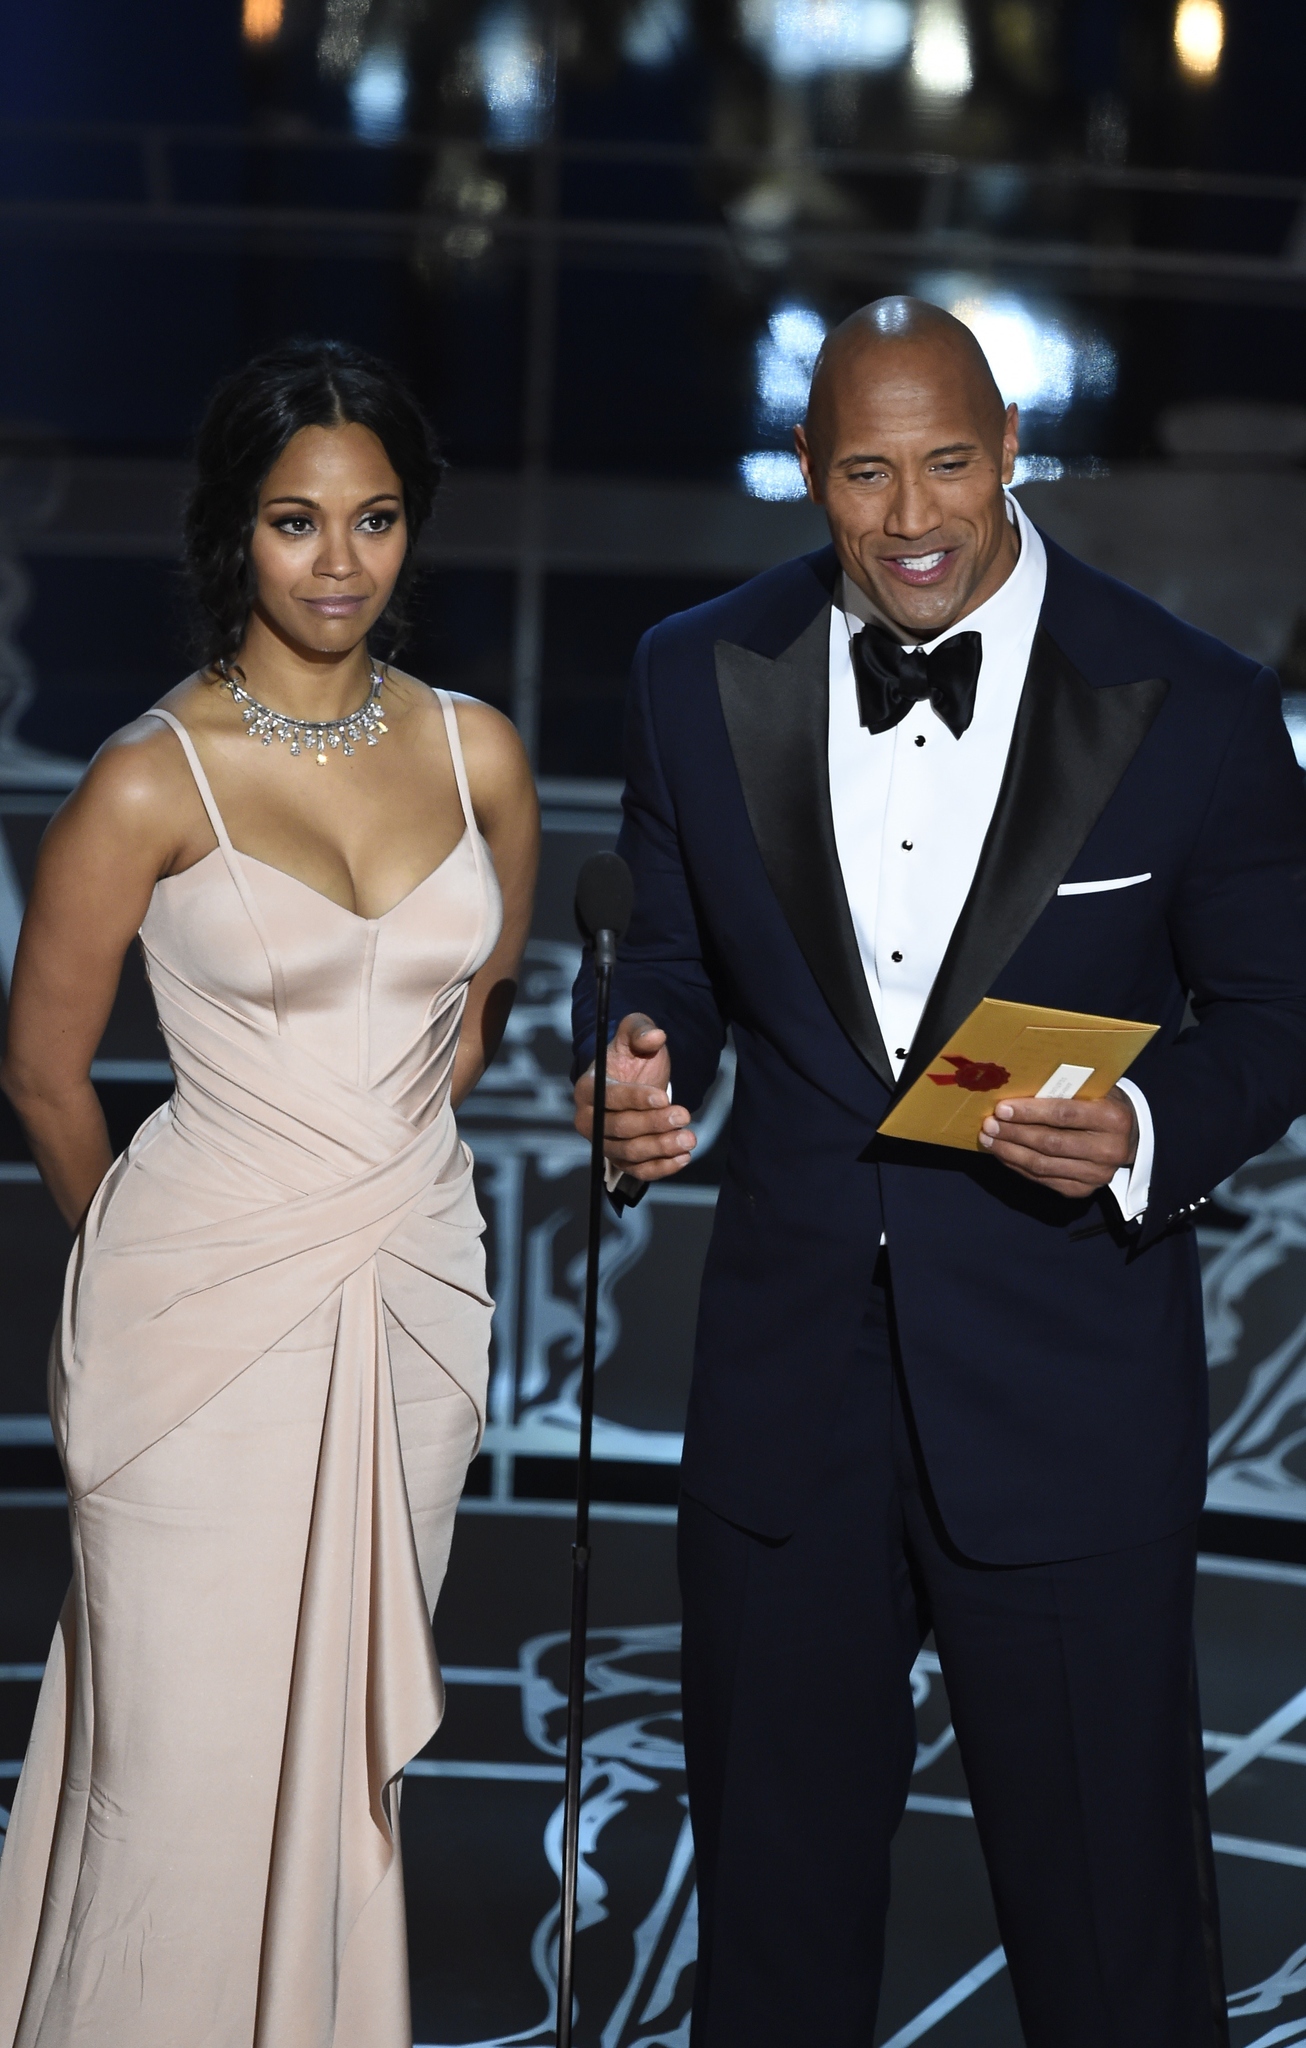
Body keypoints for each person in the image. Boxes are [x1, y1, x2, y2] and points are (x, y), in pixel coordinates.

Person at [573, 297, 1306, 2047]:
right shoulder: (695, 673)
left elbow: (1277, 1015)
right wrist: (630, 1052)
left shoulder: (1189, 706)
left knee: (1113, 1944)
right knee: (767, 1944)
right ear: (809, 476)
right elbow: (664, 955)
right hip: (782, 1407)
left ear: (1012, 455)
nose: (911, 518)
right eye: (864, 473)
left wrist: (1141, 1136)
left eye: (949, 466)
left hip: (1066, 1402)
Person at [0, 339, 538, 2047]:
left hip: (408, 1310)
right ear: (235, 532)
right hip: (193, 1340)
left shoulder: (481, 759)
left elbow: (473, 1013)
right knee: (178, 1775)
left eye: (373, 521)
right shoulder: (149, 777)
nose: (337, 563)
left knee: (335, 1777)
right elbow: (40, 1069)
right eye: (297, 522)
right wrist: (159, 1258)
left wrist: (372, 1175)